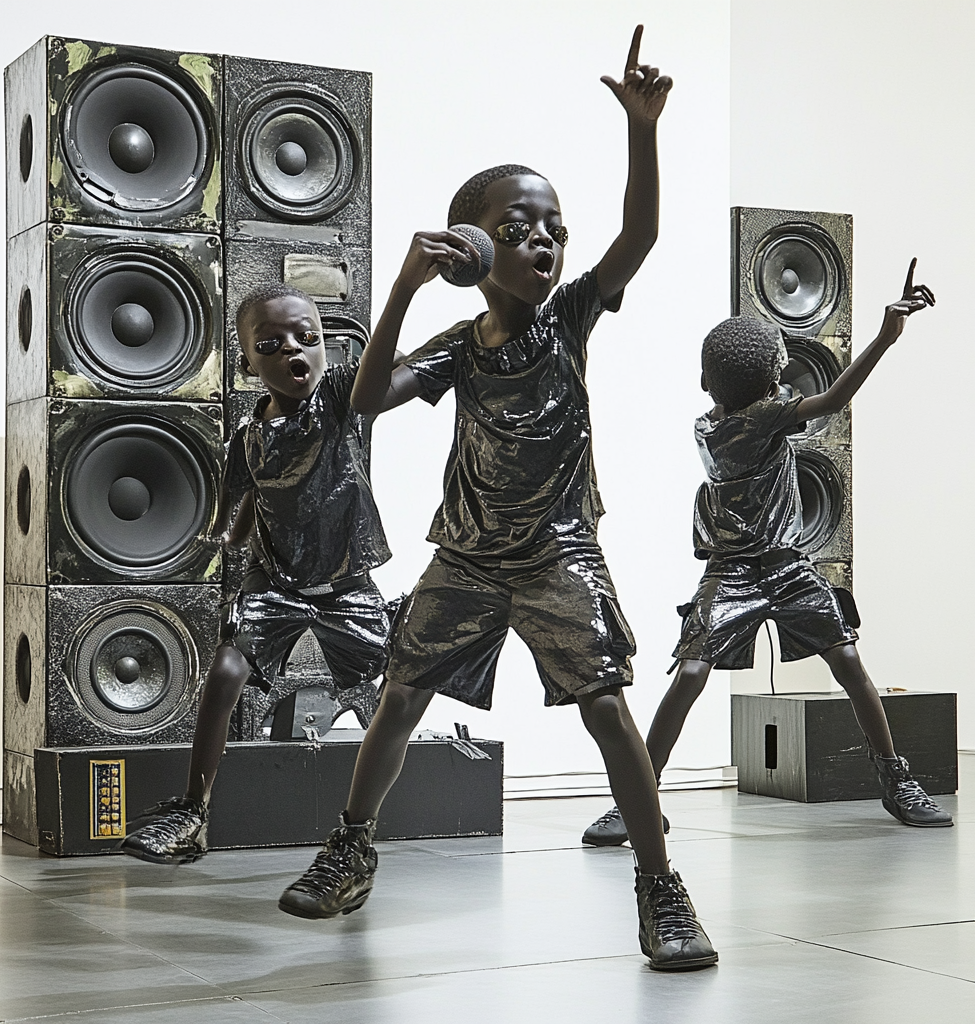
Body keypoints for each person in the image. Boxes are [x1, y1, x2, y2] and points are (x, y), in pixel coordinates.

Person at [279, 27, 718, 973]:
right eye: (518, 230)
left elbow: (639, 233)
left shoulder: (570, 317)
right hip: (470, 556)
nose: (545, 243)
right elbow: (360, 401)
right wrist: (400, 282)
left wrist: (642, 130)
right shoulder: (456, 341)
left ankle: (661, 888)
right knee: (400, 693)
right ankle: (352, 850)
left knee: (607, 709)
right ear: (474, 252)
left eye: (553, 227)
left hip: (559, 551)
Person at [582, 259, 952, 847]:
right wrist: (884, 337)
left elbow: (776, 398)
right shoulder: (760, 419)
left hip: (768, 568)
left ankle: (637, 800)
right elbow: (830, 401)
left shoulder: (710, 422)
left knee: (713, 674)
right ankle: (638, 800)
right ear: (775, 373)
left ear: (709, 382)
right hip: (746, 569)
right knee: (843, 667)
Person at [121, 284, 393, 863]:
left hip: (345, 580)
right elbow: (237, 520)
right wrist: (206, 543)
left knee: (398, 689)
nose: (294, 350)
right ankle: (193, 811)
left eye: (308, 338)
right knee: (224, 672)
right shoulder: (244, 440)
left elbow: (381, 364)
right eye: (272, 344)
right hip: (276, 584)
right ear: (248, 362)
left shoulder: (342, 399)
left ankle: (356, 834)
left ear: (327, 347)